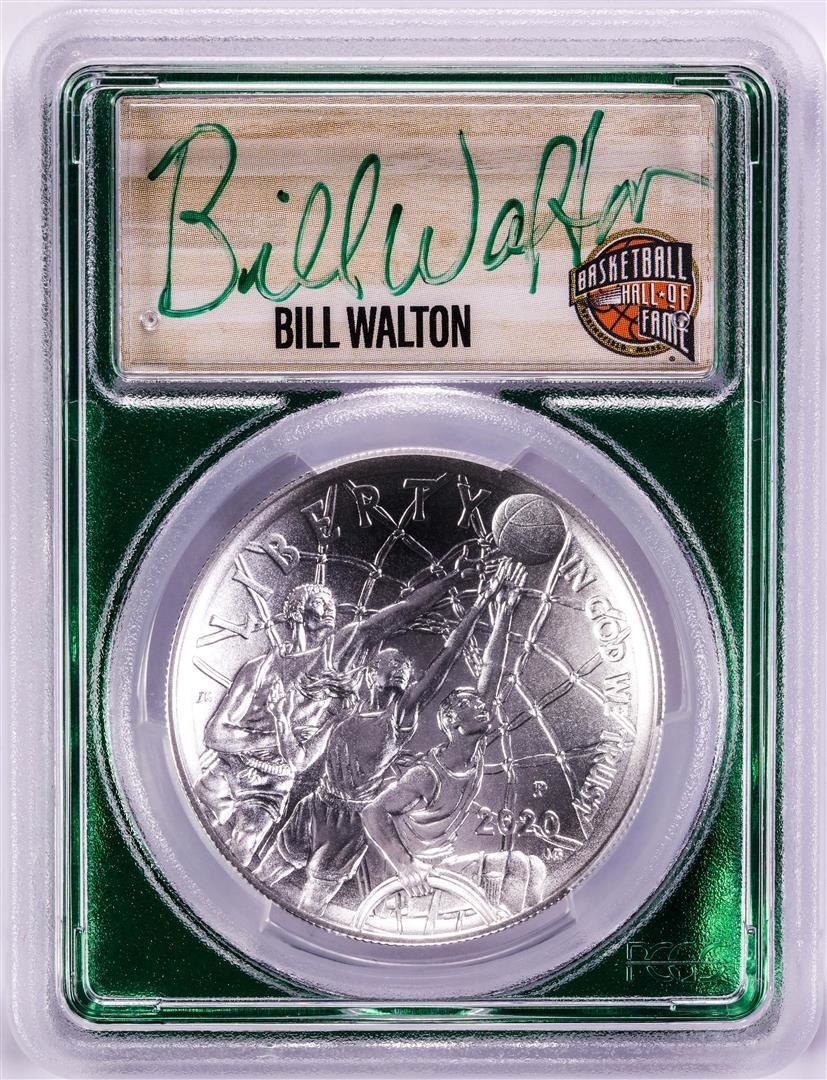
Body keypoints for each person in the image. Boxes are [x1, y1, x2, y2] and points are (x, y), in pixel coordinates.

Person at [256, 563, 511, 916]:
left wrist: (481, 604)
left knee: (309, 911)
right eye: (392, 664)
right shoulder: (343, 711)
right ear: (371, 673)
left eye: (405, 668)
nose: (401, 668)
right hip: (313, 809)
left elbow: (448, 656)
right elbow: (298, 759)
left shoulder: (400, 715)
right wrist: (281, 719)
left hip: (348, 827)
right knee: (255, 880)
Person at [197, 564, 478, 865]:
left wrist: (454, 578)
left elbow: (405, 610)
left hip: (274, 782)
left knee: (242, 848)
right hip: (230, 766)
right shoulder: (259, 668)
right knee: (189, 822)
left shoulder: (340, 653)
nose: (331, 608)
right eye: (321, 603)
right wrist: (280, 735)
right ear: (297, 613)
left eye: (332, 603)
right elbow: (215, 735)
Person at [361, 561, 545, 915]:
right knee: (513, 879)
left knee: (531, 867)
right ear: (452, 723)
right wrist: (405, 865)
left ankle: (527, 937)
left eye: (477, 703)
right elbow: (373, 812)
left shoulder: (473, 753)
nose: (479, 706)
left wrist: (504, 611)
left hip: (445, 869)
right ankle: (507, 935)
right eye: (467, 705)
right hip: (413, 886)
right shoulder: (427, 774)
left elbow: (491, 672)